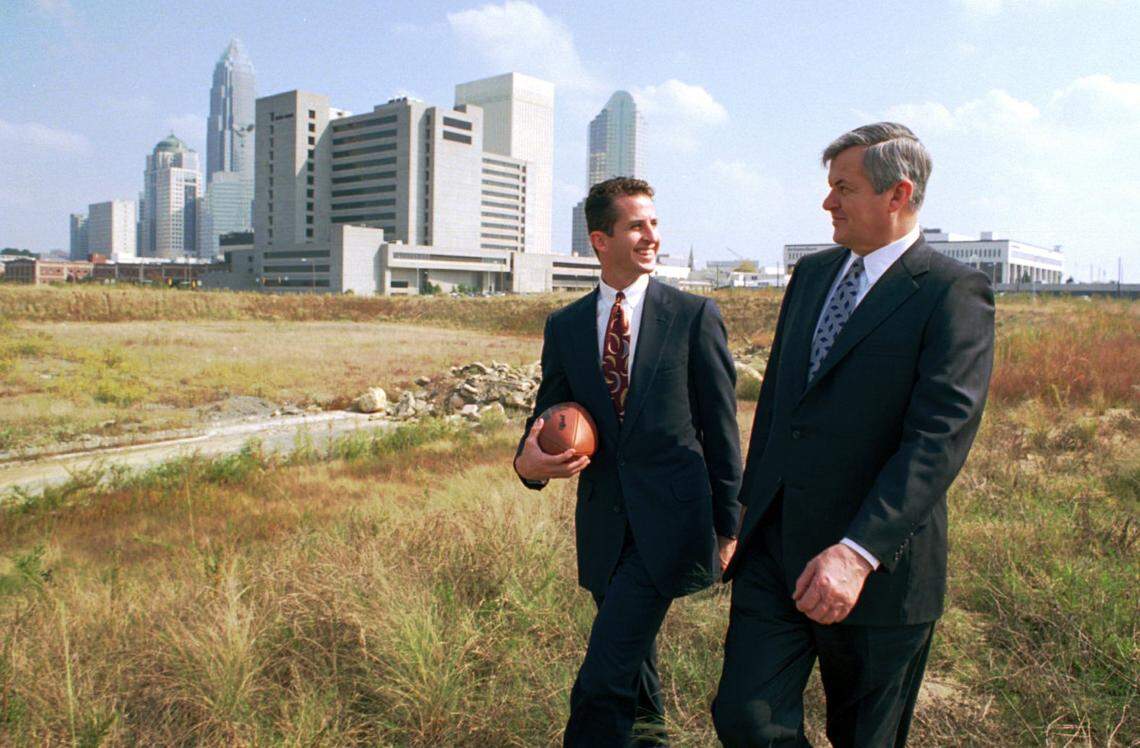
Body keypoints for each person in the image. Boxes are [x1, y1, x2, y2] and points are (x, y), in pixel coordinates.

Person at [712, 123, 995, 747]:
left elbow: (939, 435)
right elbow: (783, 408)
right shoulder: (811, 276)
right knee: (745, 719)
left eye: (844, 187)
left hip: (878, 573)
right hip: (775, 555)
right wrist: (740, 514)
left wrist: (857, 551)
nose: (827, 202)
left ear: (897, 195)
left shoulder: (953, 293)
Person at [515, 177, 743, 746]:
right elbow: (549, 414)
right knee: (634, 666)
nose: (652, 236)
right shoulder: (565, 326)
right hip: (603, 527)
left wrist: (730, 525)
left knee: (603, 673)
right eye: (637, 225)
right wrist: (528, 462)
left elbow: (721, 428)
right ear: (600, 239)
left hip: (673, 524)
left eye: (655, 224)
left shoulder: (694, 315)